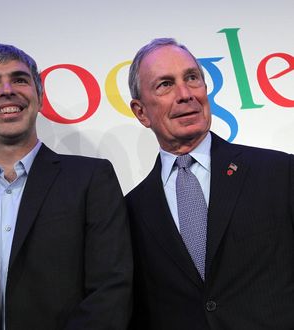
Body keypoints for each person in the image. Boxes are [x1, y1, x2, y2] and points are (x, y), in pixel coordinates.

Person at [126, 37, 294, 330]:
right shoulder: (130, 210)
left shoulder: (279, 173)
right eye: (165, 84)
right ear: (141, 112)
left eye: (192, 78)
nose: (185, 94)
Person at [0, 44, 132, 330]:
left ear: (39, 97)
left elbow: (111, 291)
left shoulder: (91, 179)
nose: (7, 90)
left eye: (19, 79)